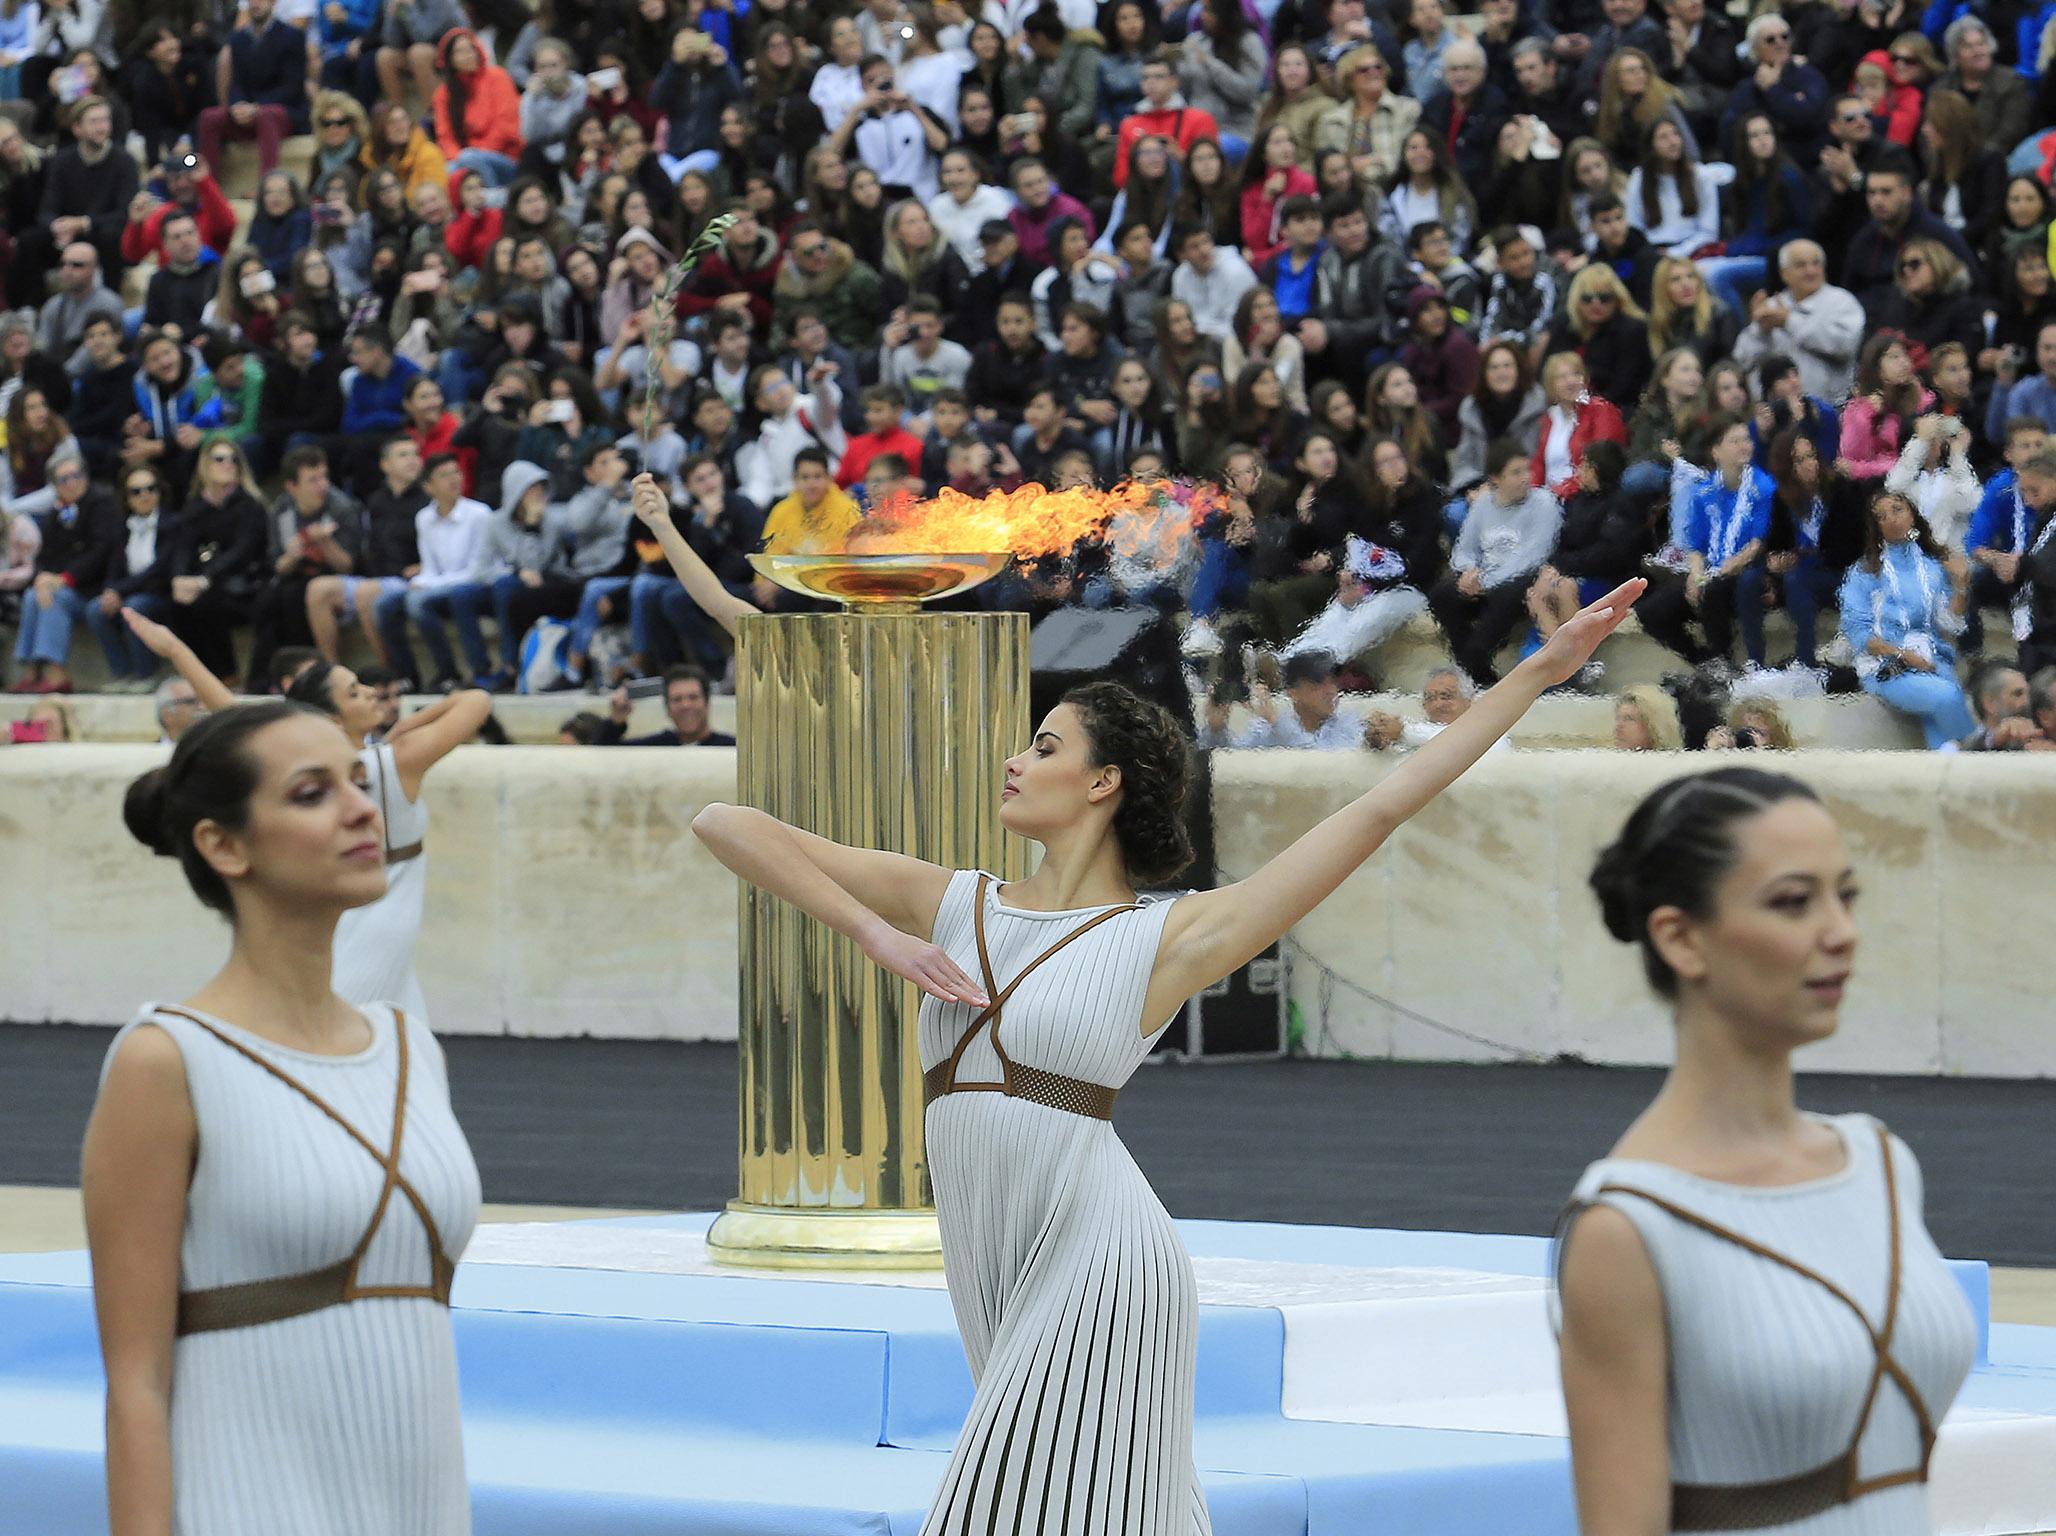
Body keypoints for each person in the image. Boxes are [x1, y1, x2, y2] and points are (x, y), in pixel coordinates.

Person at [690, 576, 1639, 1536]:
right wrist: (875, 934)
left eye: (1045, 747)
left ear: (1104, 783)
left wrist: (1538, 674)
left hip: (1106, 1270)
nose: (1015, 762)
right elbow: (726, 825)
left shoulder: (1171, 936)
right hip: (992, 1257)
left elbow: (1378, 812)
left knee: (994, 1512)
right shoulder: (954, 904)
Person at [89, 700, 481, 1536]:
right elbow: (135, 1383)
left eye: (354, 779)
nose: (361, 807)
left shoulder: (412, 1048)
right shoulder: (165, 1061)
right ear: (223, 845)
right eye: (311, 793)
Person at [1560, 769, 1975, 1535]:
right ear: (1681, 938)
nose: (1840, 931)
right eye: (1793, 901)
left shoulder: (1882, 1164)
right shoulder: (1624, 1231)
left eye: (1844, 895)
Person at [126, 604, 492, 1021]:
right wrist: (408, 726)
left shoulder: (378, 762)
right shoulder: (395, 763)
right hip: (368, 943)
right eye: (355, 692)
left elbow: (232, 714)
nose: (372, 692)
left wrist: (176, 651)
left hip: (360, 939)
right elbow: (476, 701)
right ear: (333, 720)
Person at [1839, 487, 1976, 748]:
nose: (1891, 518)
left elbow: (1950, 625)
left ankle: (1948, 777)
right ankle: (1982, 748)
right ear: (1876, 527)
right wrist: (1903, 655)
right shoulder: (1864, 572)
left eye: (1897, 509)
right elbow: (1859, 633)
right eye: (1881, 516)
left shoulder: (1933, 567)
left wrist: (1960, 585)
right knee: (1946, 696)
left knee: (1941, 733)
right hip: (1887, 666)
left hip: (1933, 659)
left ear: (1913, 515)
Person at [1431, 437, 1564, 683]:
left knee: (1511, 591)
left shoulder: (1544, 503)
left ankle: (1470, 661)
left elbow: (1533, 556)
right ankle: (1478, 671)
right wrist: (1468, 574)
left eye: (1527, 469)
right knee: (1442, 593)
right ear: (1495, 479)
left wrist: (1486, 581)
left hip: (1520, 582)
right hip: (1484, 580)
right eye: (1515, 473)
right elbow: (1464, 549)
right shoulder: (1483, 505)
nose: (1526, 477)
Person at [1730, 239, 1865, 406]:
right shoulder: (1772, 307)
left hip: (1833, 409)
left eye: (1816, 263)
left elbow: (1844, 345)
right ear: (1784, 274)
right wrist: (1760, 331)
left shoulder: (1842, 302)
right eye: (1801, 265)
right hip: (1780, 414)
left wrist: (1789, 321)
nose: (1810, 271)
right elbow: (1742, 359)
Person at [195, 0, 308, 175]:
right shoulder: (238, 39)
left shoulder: (292, 36)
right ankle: (208, 186)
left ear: (273, 3)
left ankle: (267, 183)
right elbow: (236, 82)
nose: (256, 3)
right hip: (247, 112)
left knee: (266, 115)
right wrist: (237, 105)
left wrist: (257, 107)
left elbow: (292, 87)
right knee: (208, 117)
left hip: (282, 112)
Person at [597, 665, 737, 745]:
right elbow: (603, 756)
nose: (685, 705)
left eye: (693, 697)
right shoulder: (657, 747)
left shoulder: (731, 748)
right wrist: (616, 722)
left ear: (706, 703)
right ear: (667, 708)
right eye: (677, 699)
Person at [1611, 682, 1683, 748]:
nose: (1618, 726)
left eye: (1629, 718)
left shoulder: (1673, 761)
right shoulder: (1609, 759)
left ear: (1654, 727)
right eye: (1618, 718)